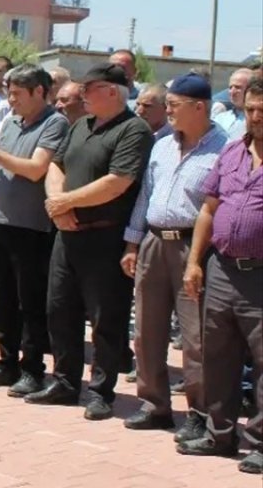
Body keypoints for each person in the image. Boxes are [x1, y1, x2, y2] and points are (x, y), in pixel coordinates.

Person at [29, 63, 154, 420]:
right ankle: (65, 381)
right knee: (59, 309)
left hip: (106, 236)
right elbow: (56, 165)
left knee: (106, 318)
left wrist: (67, 202)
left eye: (89, 88)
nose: (82, 95)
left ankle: (101, 390)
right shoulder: (81, 125)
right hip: (67, 234)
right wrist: (57, 207)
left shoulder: (134, 130)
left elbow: (118, 181)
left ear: (112, 91)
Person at [119, 73, 226, 437]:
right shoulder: (162, 144)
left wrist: (198, 258)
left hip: (193, 248)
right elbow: (145, 196)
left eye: (174, 105)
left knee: (197, 337)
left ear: (200, 107)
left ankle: (199, 412)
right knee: (147, 329)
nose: (167, 111)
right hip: (152, 242)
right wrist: (133, 243)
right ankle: (154, 404)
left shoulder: (224, 149)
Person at [177, 78, 263, 474]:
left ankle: (259, 444)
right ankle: (220, 434)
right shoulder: (231, 153)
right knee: (218, 358)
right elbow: (209, 210)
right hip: (223, 270)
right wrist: (195, 261)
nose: (256, 117)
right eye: (251, 110)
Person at [0, 65, 68, 396]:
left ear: (39, 92)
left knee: (30, 302)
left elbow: (36, 169)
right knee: (2, 299)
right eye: (9, 92)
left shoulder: (54, 123)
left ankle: (33, 369)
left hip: (32, 228)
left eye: (17, 93)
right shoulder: (11, 123)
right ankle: (6, 362)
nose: (10, 100)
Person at [211, 68, 251, 138]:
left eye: (238, 87)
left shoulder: (256, 122)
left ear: (251, 89)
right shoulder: (219, 118)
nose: (232, 92)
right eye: (230, 87)